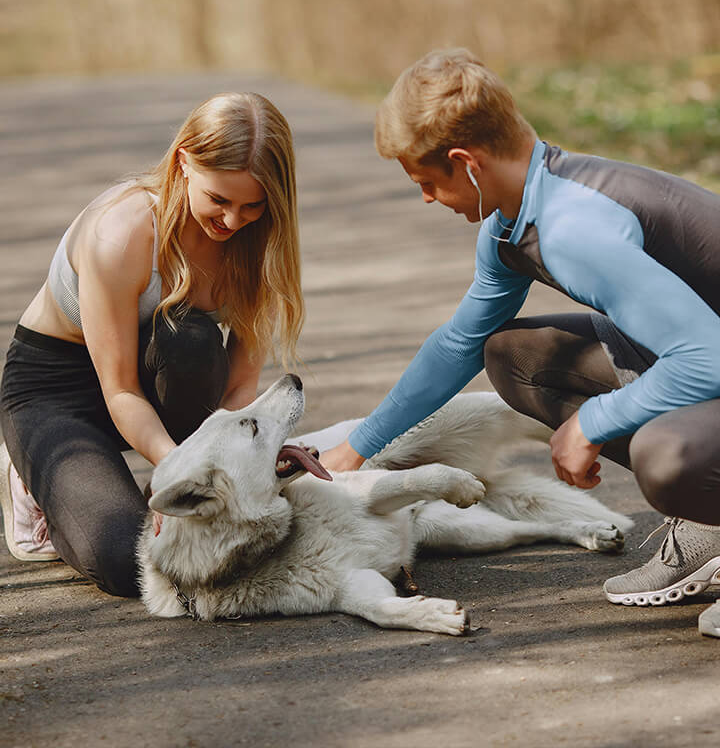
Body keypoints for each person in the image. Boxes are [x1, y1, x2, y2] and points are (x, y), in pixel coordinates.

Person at [320, 48, 720, 639]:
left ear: (468, 163)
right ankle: (711, 525)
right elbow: (459, 343)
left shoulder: (574, 228)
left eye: (427, 182)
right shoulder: (514, 223)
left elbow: (707, 358)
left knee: (667, 455)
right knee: (515, 357)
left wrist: (594, 422)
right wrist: (354, 449)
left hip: (709, 354)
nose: (428, 199)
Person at [0, 92, 304, 597]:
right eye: (220, 200)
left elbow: (240, 386)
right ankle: (29, 474)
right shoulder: (122, 232)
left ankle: (148, 485)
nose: (232, 221)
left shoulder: (261, 242)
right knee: (128, 561)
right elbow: (118, 389)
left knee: (190, 340)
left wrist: (223, 472)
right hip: (55, 392)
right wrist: (177, 471)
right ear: (184, 161)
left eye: (252, 205)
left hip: (162, 368)